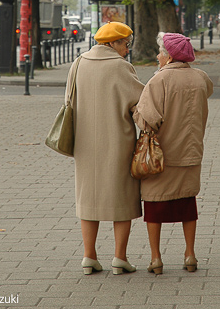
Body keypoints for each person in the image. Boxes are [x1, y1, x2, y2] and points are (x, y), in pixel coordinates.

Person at [65, 21, 144, 275]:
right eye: (125, 44)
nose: (127, 49)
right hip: (118, 142)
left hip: (84, 143)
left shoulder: (79, 63)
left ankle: (89, 257)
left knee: (89, 199)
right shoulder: (121, 67)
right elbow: (141, 102)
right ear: (112, 43)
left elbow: (69, 100)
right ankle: (120, 258)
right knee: (121, 199)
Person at [133, 32, 213, 275]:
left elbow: (147, 120)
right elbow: (207, 92)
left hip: (162, 156)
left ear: (168, 57)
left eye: (160, 53)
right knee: (187, 204)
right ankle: (190, 254)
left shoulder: (159, 80)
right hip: (190, 153)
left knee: (155, 205)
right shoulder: (201, 78)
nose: (158, 57)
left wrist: (135, 111)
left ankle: (156, 258)